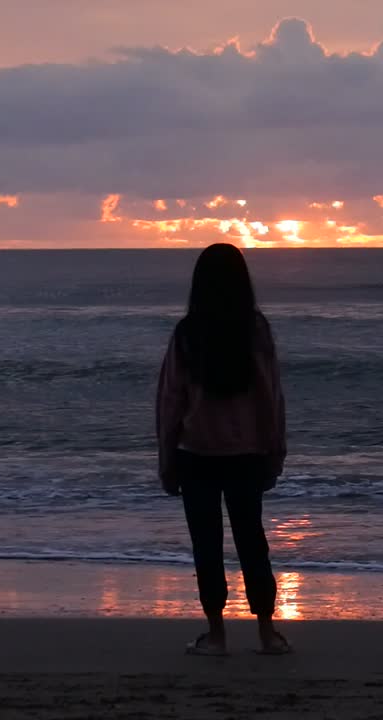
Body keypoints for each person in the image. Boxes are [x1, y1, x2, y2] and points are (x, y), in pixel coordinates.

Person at [156, 242, 290, 656]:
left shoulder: (187, 333)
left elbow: (170, 401)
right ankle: (267, 633)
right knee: (253, 542)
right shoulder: (255, 329)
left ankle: (216, 634)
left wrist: (166, 458)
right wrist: (275, 449)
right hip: (247, 454)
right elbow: (270, 396)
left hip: (196, 454)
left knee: (207, 546)